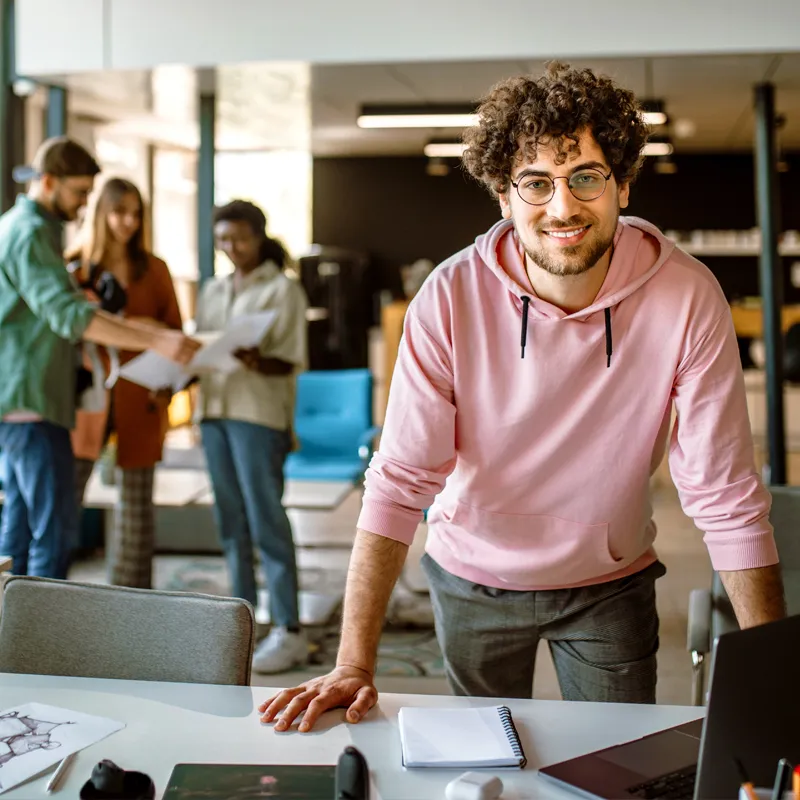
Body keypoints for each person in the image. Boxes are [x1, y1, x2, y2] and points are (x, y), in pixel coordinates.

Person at [260, 63, 786, 732]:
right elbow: (400, 480)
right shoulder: (448, 298)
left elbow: (726, 495)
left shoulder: (687, 296)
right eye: (536, 182)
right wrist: (352, 664)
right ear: (503, 197)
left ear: (623, 184)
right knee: (485, 763)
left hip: (609, 582)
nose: (562, 207)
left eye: (586, 177)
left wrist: (774, 678)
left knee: (620, 765)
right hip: (471, 577)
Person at [0, 137, 199, 580]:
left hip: (27, 401)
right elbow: (71, 317)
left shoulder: (27, 228)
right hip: (31, 402)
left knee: (21, 527)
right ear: (48, 182)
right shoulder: (31, 233)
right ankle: (42, 623)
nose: (84, 203)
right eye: (79, 192)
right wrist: (156, 340)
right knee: (53, 532)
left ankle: (15, 622)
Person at [195, 199, 308, 673]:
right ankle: (241, 620)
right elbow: (202, 348)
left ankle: (288, 627)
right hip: (214, 413)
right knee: (230, 522)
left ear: (258, 237)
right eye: (224, 239)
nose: (232, 247)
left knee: (266, 521)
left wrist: (251, 358)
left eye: (240, 238)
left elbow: (291, 360)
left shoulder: (283, 290)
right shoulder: (213, 289)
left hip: (257, 416)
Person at [66, 177, 183, 588]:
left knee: (137, 513)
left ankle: (132, 602)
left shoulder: (155, 269)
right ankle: (51, 595)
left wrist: (130, 328)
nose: (128, 222)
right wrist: (140, 327)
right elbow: (67, 328)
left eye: (136, 213)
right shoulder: (74, 267)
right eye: (119, 212)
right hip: (85, 400)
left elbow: (174, 334)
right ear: (100, 213)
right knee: (65, 501)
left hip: (143, 396)